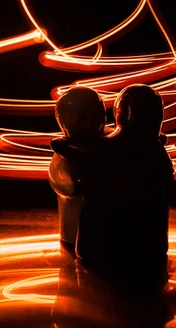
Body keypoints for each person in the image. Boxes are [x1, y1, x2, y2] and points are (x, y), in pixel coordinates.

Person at [52, 84, 174, 294]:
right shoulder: (159, 154)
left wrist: (62, 146)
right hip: (150, 252)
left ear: (124, 114)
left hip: (101, 254)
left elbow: (81, 159)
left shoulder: (106, 149)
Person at [48, 86, 110, 251]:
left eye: (97, 115)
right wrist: (71, 185)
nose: (92, 121)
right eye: (82, 117)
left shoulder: (110, 144)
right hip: (74, 225)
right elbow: (59, 178)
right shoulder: (63, 152)